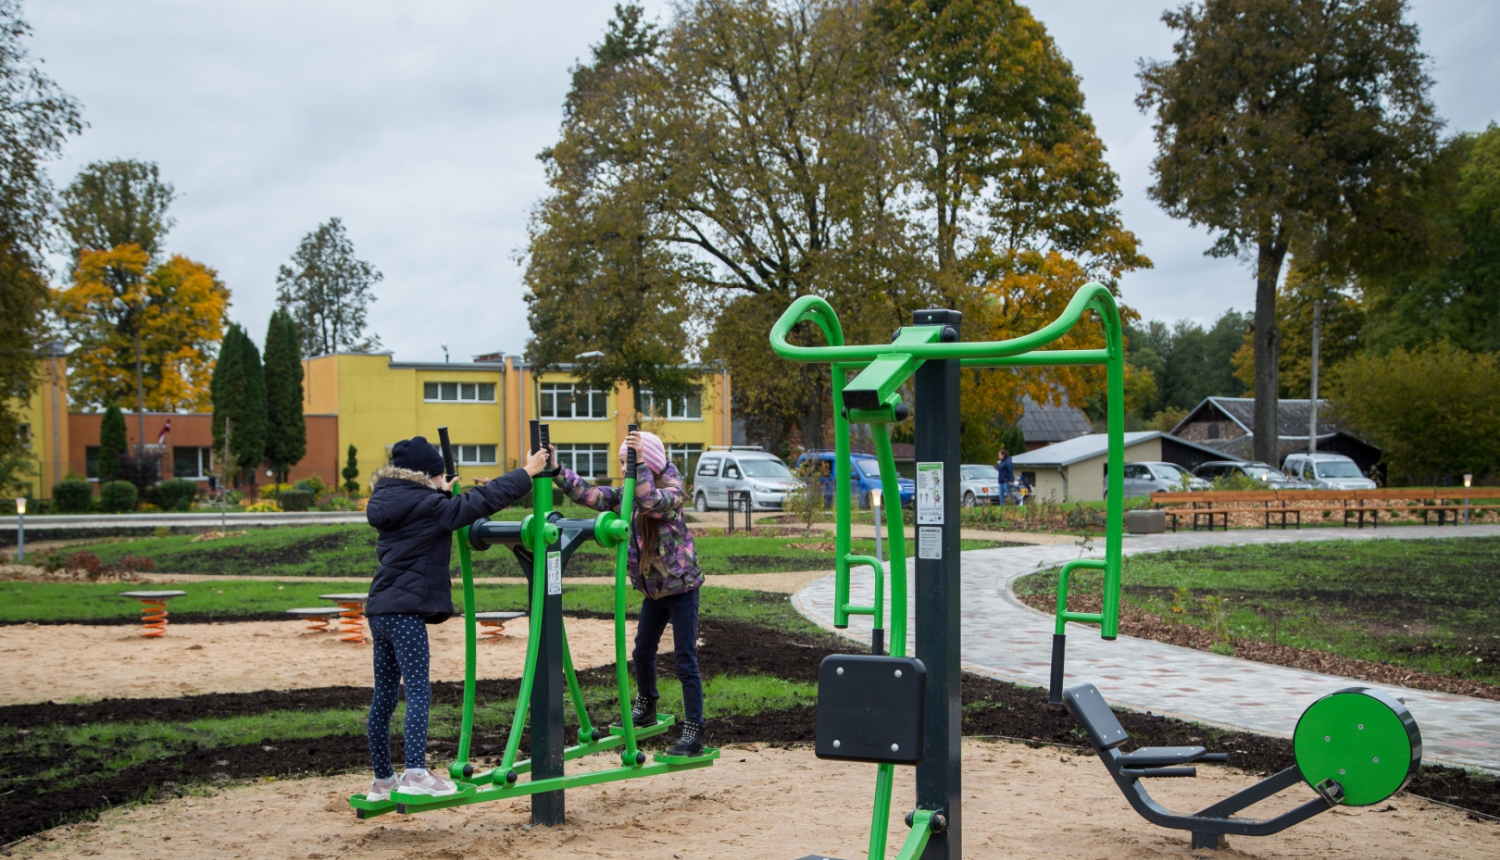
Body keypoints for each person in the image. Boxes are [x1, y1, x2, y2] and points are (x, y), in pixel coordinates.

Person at [362, 436, 551, 802]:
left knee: (383, 696)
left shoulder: (390, 501)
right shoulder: (429, 505)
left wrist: (441, 493)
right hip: (406, 613)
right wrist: (527, 473)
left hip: (380, 610)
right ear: (428, 476)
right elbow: (479, 501)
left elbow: (430, 513)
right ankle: (415, 771)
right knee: (418, 690)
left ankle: (382, 780)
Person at [555, 429, 708, 757]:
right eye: (623, 463)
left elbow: (650, 501)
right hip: (654, 592)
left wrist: (637, 464)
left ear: (648, 464)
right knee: (641, 653)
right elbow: (592, 496)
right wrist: (558, 471)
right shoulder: (629, 493)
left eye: (630, 464)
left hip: (681, 589)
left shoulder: (672, 492)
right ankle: (647, 704)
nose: (624, 471)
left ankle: (694, 729)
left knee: (684, 659)